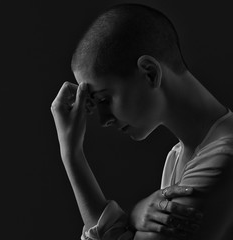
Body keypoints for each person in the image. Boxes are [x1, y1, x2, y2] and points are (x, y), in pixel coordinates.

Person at [50, 3, 233, 240]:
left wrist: (71, 155)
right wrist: (136, 214)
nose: (103, 120)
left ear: (150, 73)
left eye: (104, 99)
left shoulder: (223, 159)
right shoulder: (178, 155)